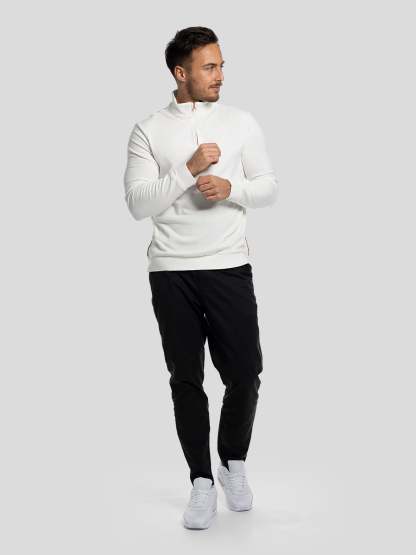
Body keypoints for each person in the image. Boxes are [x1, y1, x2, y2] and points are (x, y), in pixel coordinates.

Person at [123, 26, 279, 530]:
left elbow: (268, 186)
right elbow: (137, 204)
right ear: (180, 73)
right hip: (172, 270)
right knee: (186, 379)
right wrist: (186, 170)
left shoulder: (240, 122)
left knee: (245, 373)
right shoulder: (148, 130)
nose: (220, 75)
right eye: (209, 67)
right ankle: (201, 480)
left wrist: (232, 188)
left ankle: (231, 460)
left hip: (228, 264)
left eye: (221, 65)